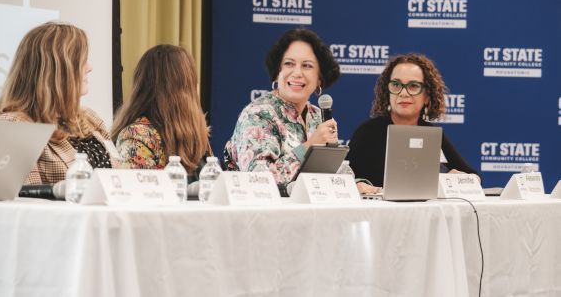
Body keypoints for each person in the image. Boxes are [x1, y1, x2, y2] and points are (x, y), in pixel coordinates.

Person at [0, 22, 113, 185]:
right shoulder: (15, 127)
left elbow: (121, 180)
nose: (89, 68)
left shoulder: (91, 119)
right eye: (82, 61)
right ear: (57, 70)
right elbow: (25, 202)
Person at [223, 28, 341, 195]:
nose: (297, 73)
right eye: (289, 64)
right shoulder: (257, 114)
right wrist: (308, 147)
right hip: (259, 216)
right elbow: (259, 181)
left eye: (307, 66)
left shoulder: (317, 116)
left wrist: (355, 184)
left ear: (319, 78)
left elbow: (328, 175)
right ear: (277, 72)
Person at [347, 53, 480, 194]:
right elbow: (342, 178)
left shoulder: (432, 134)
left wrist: (459, 180)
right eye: (396, 85)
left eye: (413, 86)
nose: (403, 93)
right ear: (388, 92)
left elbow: (474, 177)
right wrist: (357, 185)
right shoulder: (367, 132)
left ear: (427, 96)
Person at [112, 44, 211, 183]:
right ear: (184, 90)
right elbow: (133, 196)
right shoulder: (136, 136)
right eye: (193, 82)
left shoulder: (196, 135)